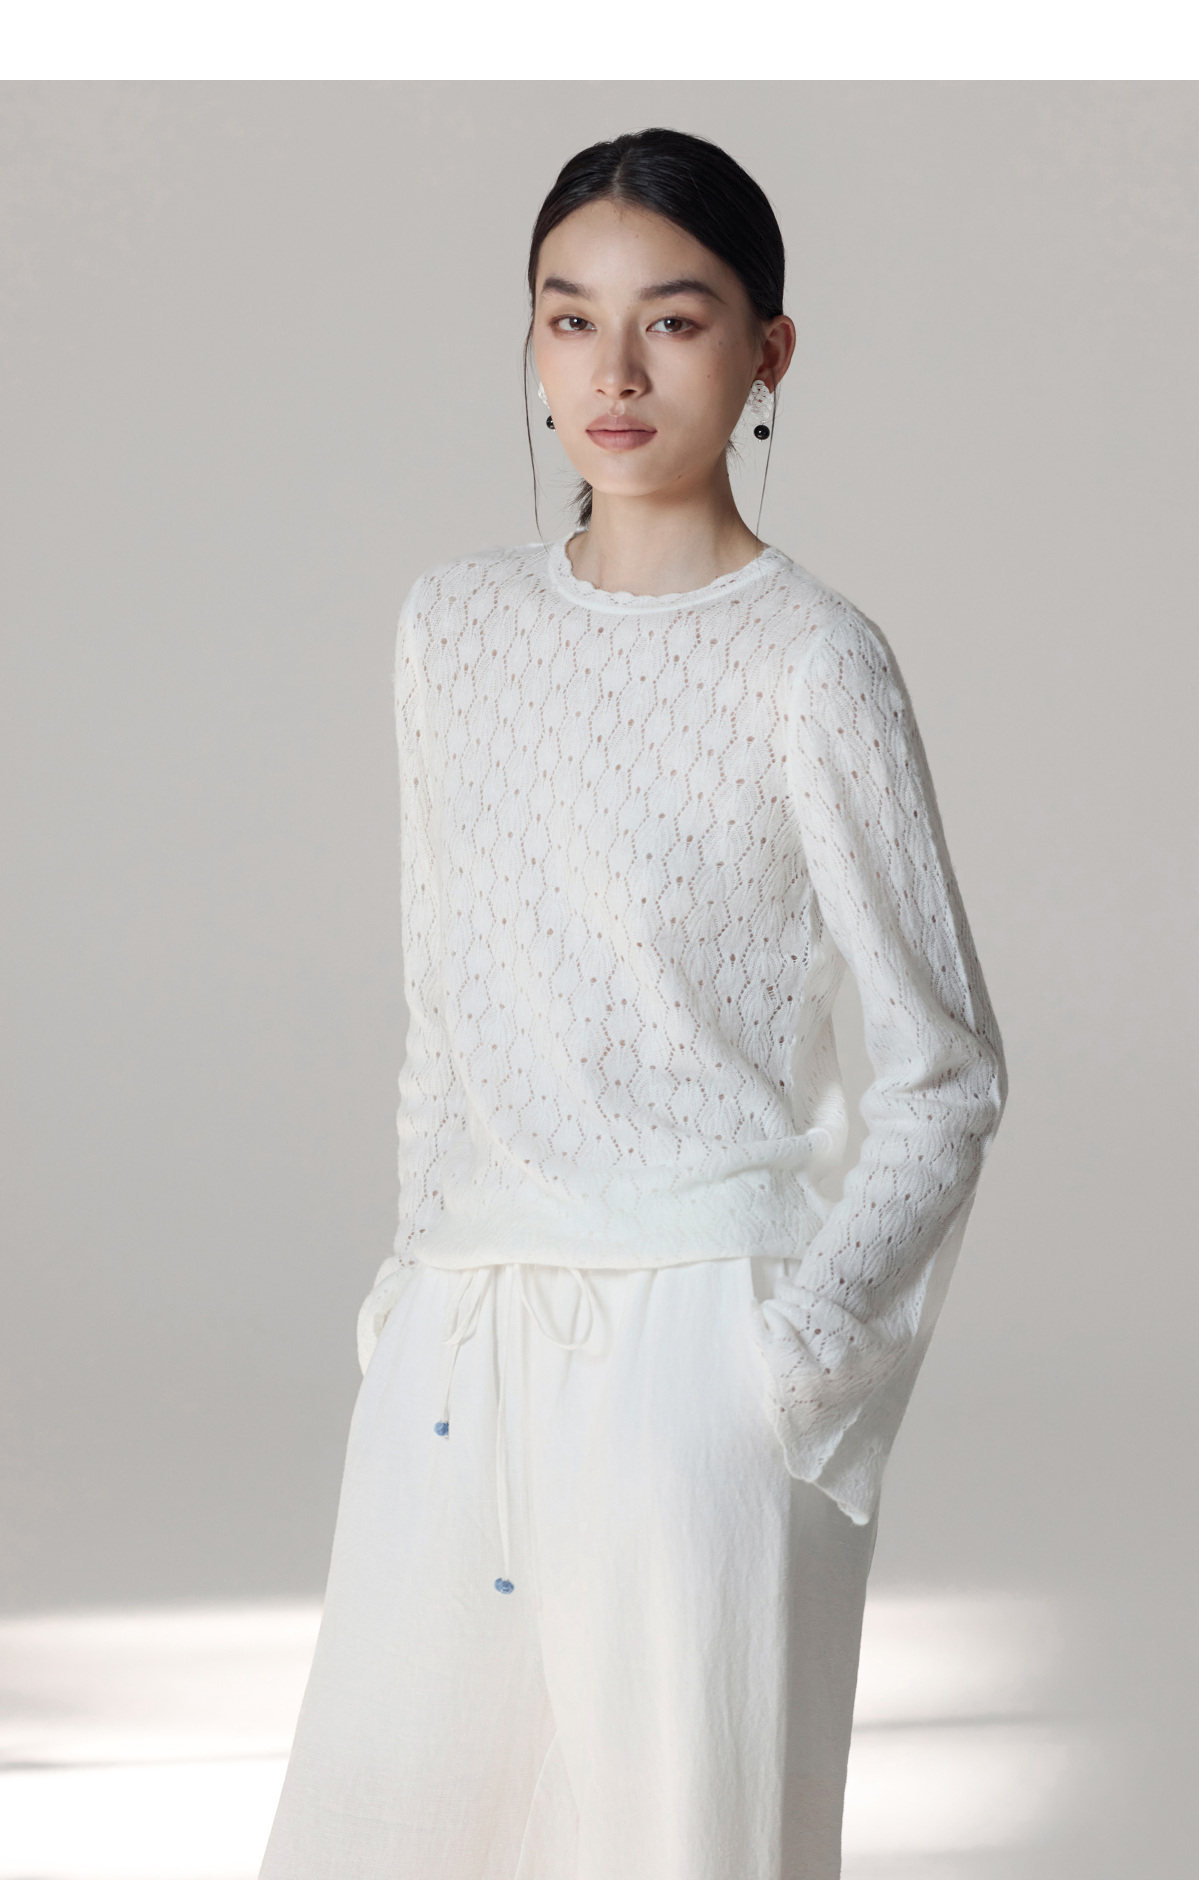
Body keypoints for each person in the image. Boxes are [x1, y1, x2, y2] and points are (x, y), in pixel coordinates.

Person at [258, 127, 1007, 1880]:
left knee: (678, 1831)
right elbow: (443, 998)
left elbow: (948, 1070)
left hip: (700, 1343)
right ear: (529, 340)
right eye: (568, 317)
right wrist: (408, 1289)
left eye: (671, 321)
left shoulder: (814, 663)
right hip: (460, 1338)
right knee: (408, 1824)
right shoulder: (452, 630)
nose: (612, 372)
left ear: (767, 351)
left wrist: (797, 1354)